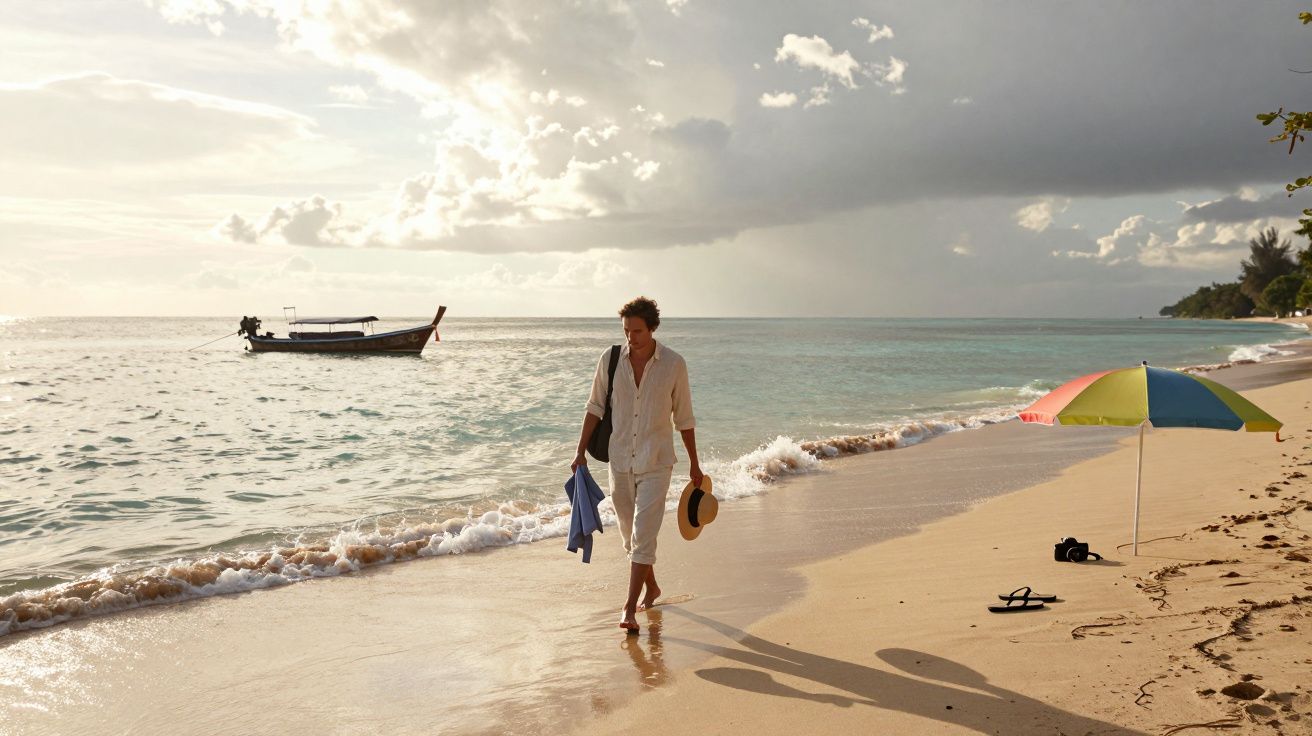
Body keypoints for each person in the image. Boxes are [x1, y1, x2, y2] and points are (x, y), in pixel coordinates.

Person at [572, 296, 702, 633]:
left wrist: (695, 465)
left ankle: (629, 609)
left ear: (653, 328)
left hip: (657, 462)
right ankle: (652, 586)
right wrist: (579, 451)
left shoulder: (674, 364)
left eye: (638, 331)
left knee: (644, 535)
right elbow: (594, 407)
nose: (631, 337)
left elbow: (684, 418)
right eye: (627, 330)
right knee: (631, 536)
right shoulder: (611, 359)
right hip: (620, 462)